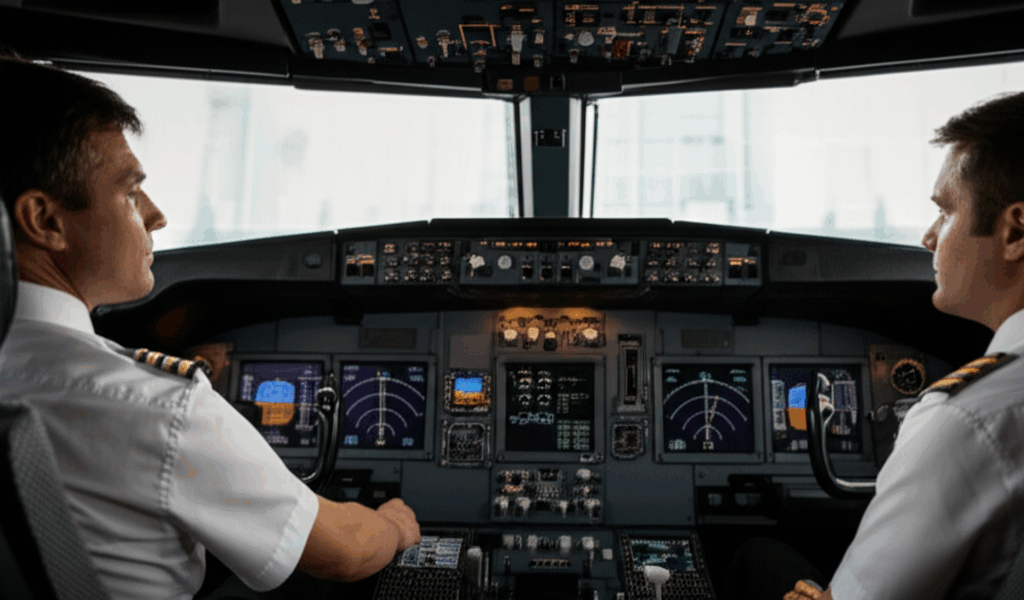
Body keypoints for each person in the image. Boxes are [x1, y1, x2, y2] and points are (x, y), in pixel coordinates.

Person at [0, 53, 420, 599]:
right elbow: (344, 552)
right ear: (45, 220)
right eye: (129, 192)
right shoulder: (156, 406)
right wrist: (394, 525)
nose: (155, 215)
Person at [732, 91, 1024, 600]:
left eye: (946, 211)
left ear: (1016, 231)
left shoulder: (967, 419)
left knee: (755, 557)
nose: (929, 237)